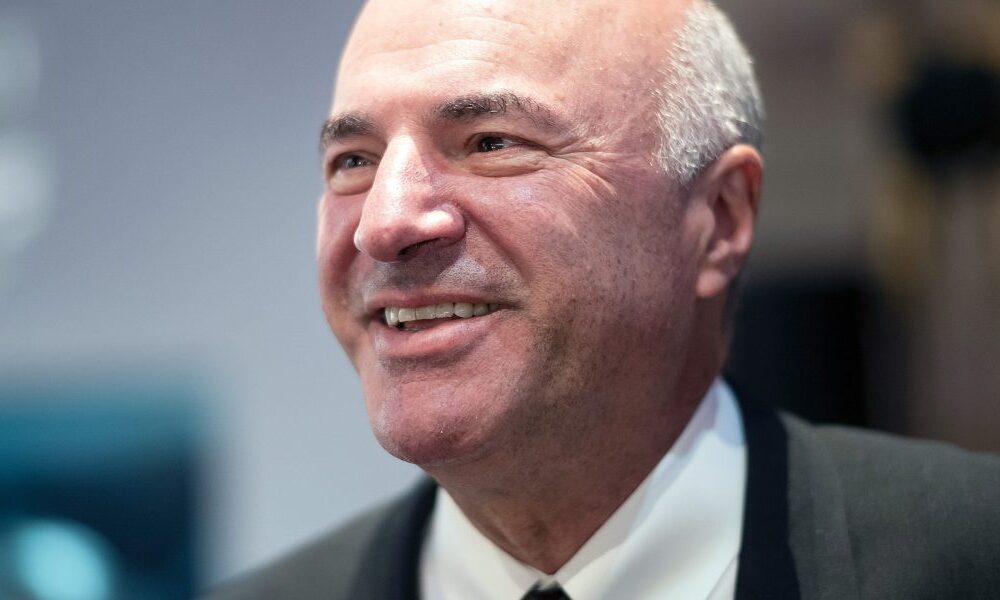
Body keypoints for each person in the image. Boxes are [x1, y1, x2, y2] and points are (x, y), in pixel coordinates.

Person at [208, 0, 1000, 598]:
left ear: (719, 220)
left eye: (491, 143)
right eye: (354, 160)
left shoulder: (971, 554)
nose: (385, 223)